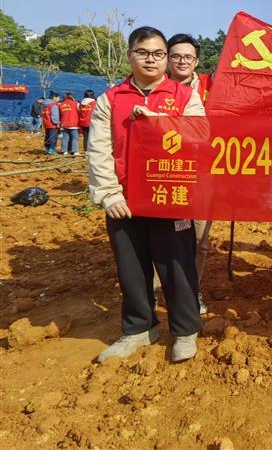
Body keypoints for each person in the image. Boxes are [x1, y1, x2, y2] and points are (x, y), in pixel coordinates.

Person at [87, 26, 205, 364]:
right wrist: (109, 194)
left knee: (177, 266)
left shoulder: (185, 96)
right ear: (130, 56)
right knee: (131, 269)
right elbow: (99, 150)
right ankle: (139, 328)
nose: (150, 60)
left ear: (166, 59)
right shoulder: (111, 99)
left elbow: (199, 136)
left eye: (158, 54)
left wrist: (159, 121)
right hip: (124, 201)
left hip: (171, 196)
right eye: (143, 53)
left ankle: (185, 330)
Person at [167, 33, 213, 313]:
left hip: (203, 173)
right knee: (163, 236)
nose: (182, 61)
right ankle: (159, 289)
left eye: (188, 57)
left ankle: (192, 290)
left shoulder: (212, 86)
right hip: (164, 173)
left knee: (199, 239)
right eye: (176, 56)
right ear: (167, 59)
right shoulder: (156, 88)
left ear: (196, 61)